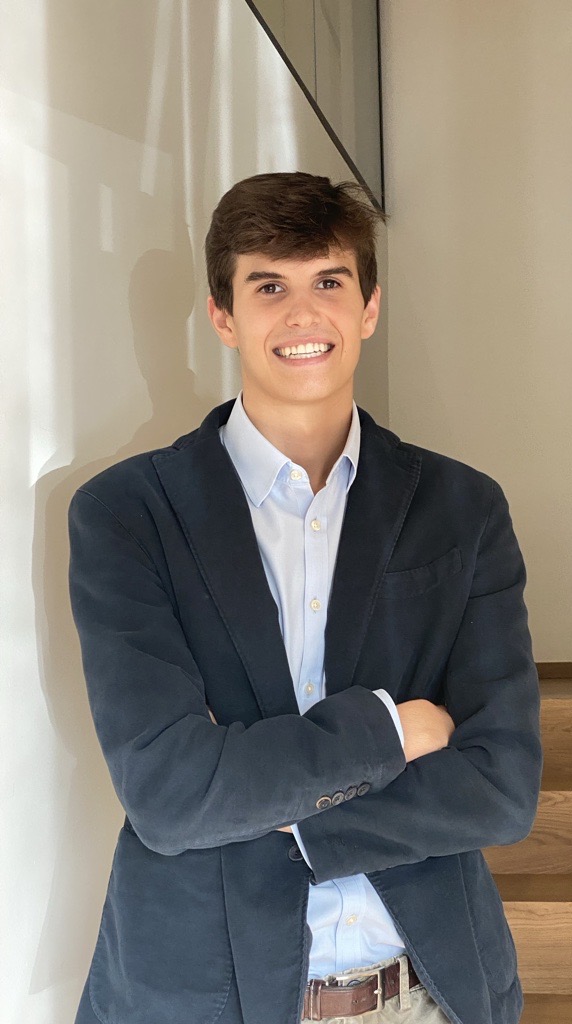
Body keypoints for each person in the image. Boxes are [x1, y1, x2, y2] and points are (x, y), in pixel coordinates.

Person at [68, 171, 542, 1024]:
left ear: (368, 307)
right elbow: (170, 795)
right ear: (223, 316)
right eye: (268, 287)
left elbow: (501, 787)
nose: (302, 314)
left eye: (328, 281)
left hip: (427, 992)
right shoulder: (127, 516)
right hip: (203, 999)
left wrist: (271, 806)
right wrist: (392, 732)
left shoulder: (463, 508)